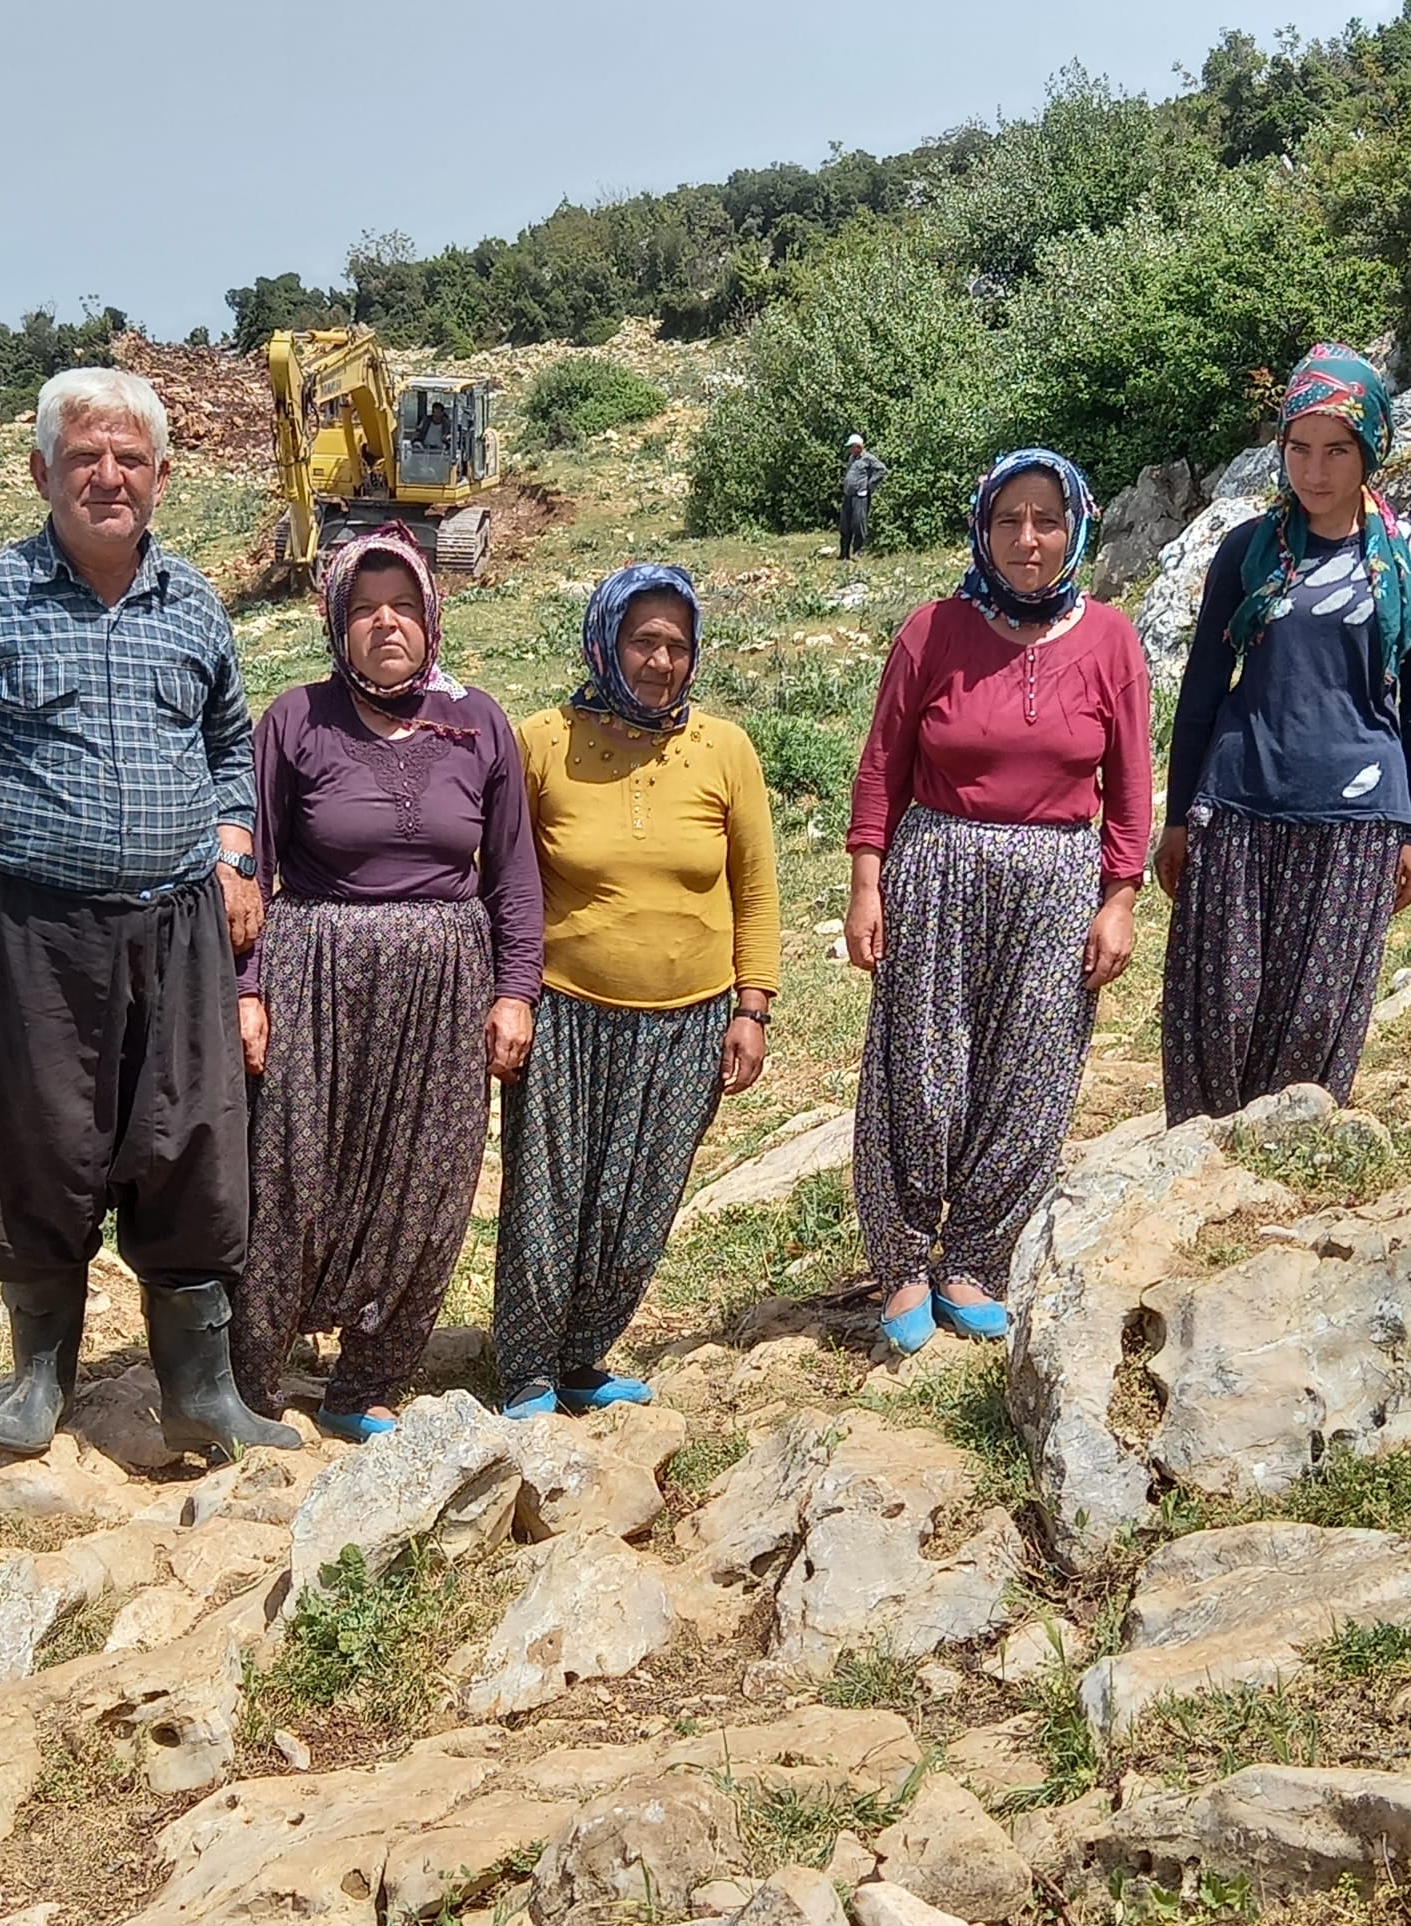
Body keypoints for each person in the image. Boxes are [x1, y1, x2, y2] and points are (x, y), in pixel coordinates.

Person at [0, 367, 296, 1459]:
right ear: (42, 470)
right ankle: (38, 1377)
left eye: (130, 458)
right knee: (41, 1140)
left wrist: (231, 852)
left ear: (163, 476)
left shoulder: (196, 606)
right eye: (85, 456)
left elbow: (229, 745)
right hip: (42, 926)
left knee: (189, 1142)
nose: (109, 475)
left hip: (180, 924)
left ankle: (202, 1392)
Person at [232, 523, 542, 1441]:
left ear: (431, 617)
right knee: (289, 1171)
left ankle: (365, 1382)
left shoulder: (478, 720)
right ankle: (250, 1376)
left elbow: (513, 872)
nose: (386, 623)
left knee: (430, 1176)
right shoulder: (293, 718)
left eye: (403, 605)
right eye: (365, 609)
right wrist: (247, 990)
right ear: (337, 623)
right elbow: (252, 871)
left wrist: (514, 988)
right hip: (315, 973)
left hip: (446, 982)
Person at [845, 448, 1151, 1353]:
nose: (1028, 539)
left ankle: (974, 1254)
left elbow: (1131, 786)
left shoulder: (1111, 640)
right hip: (937, 866)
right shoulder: (932, 630)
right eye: (1008, 519)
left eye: (1046, 520)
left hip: (1059, 880)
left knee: (1030, 1070)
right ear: (983, 527)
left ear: (1075, 530)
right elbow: (880, 768)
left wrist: (1120, 898)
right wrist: (867, 884)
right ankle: (902, 1263)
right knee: (919, 1064)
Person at [491, 564, 780, 1417]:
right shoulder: (541, 740)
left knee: (641, 1204)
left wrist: (751, 1006)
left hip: (690, 1022)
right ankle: (527, 1370)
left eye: (677, 646)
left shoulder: (726, 750)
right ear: (604, 641)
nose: (660, 661)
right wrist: (508, 994)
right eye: (643, 641)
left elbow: (757, 886)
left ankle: (583, 1358)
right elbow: (503, 880)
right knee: (549, 1197)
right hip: (567, 1010)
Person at [1159, 343, 1411, 1125]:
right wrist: (1175, 818)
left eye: (1337, 450)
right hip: (1240, 801)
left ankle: (1279, 1168)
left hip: (1358, 816)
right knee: (1217, 1010)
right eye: (1300, 448)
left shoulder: (1400, 565)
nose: (1316, 470)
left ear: (1369, 451)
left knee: (1315, 1015)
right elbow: (1202, 691)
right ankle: (1195, 1173)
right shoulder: (1248, 552)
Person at [840, 435, 887, 560]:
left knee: (858, 524)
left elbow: (882, 470)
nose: (850, 449)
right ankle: (844, 553)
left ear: (858, 447)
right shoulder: (851, 458)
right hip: (848, 495)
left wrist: (869, 485)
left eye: (852, 447)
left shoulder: (868, 458)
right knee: (845, 525)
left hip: (860, 496)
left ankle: (857, 552)